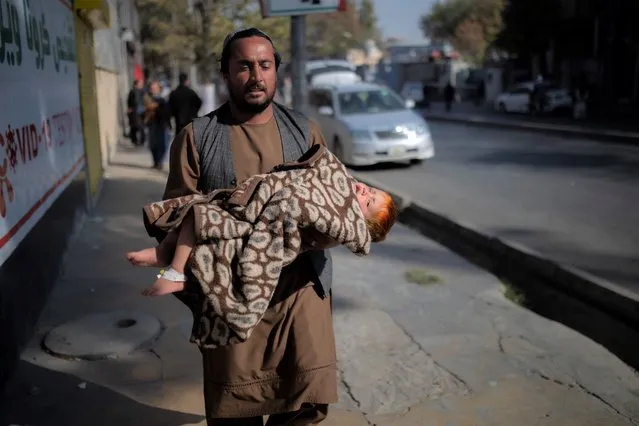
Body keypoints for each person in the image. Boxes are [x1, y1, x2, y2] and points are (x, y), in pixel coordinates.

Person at [152, 27, 354, 424]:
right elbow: (174, 217)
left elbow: (333, 200)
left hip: (299, 291)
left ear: (277, 71)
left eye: (265, 65)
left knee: (304, 401)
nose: (256, 76)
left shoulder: (304, 131)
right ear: (225, 73)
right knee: (236, 407)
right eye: (244, 66)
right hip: (232, 298)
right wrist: (174, 269)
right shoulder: (196, 139)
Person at [127, 172, 396, 297]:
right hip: (259, 205)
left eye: (369, 202)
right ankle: (162, 255)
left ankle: (175, 273)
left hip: (265, 231)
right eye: (372, 191)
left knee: (200, 222)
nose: (366, 193)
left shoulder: (339, 225)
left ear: (361, 224)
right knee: (194, 214)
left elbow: (300, 206)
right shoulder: (341, 188)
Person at [144, 80, 172, 170]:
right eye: (152, 88)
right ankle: (156, 162)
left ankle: (160, 162)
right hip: (152, 124)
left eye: (155, 88)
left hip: (162, 124)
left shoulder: (163, 98)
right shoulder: (147, 97)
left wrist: (157, 106)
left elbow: (167, 111)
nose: (153, 89)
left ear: (159, 88)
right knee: (153, 144)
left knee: (162, 144)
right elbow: (145, 107)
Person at [126, 79, 146, 146]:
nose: (141, 85)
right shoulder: (133, 92)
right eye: (140, 84)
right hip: (136, 112)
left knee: (138, 126)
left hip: (141, 111)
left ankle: (139, 140)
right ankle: (137, 140)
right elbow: (130, 101)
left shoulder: (142, 91)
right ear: (136, 84)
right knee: (137, 126)